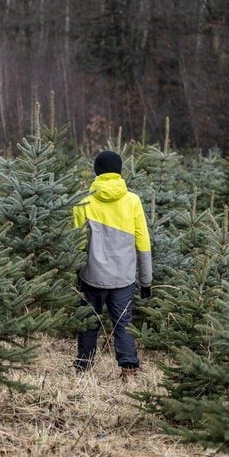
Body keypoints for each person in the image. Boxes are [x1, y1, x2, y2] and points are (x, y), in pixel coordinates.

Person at [73, 150, 153, 378]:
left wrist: (75, 274)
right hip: (124, 278)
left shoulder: (83, 201)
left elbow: (77, 243)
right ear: (119, 172)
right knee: (123, 323)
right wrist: (146, 280)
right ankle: (129, 368)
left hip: (92, 276)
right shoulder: (133, 201)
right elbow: (143, 242)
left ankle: (83, 369)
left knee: (89, 322)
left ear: (96, 172)